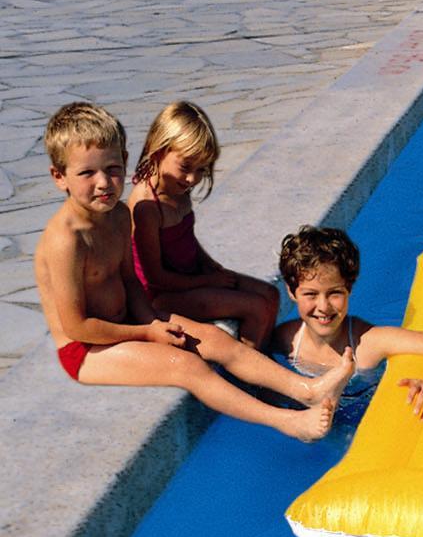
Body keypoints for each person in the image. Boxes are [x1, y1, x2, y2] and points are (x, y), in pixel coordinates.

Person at [33, 103, 347, 441]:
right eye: (87, 173)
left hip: (130, 320)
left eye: (112, 169)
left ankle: (307, 389)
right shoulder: (66, 241)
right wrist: (147, 333)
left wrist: (151, 321)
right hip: (86, 350)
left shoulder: (119, 216)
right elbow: (77, 326)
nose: (103, 183)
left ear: (125, 160)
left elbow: (130, 282)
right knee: (187, 367)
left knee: (216, 340)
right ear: (59, 177)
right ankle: (287, 421)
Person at [265, 226, 423, 423]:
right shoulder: (286, 340)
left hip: (363, 418)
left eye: (334, 293)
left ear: (349, 289)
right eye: (311, 294)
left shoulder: (369, 342)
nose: (323, 306)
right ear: (292, 292)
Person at [126, 101, 281, 347]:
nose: (192, 179)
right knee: (256, 307)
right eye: (186, 167)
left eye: (201, 169)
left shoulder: (178, 188)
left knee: (271, 294)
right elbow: (155, 278)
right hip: (161, 296)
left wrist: (209, 265)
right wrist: (207, 282)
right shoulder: (147, 207)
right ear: (158, 151)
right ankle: (248, 367)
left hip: (189, 278)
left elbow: (185, 238)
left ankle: (264, 354)